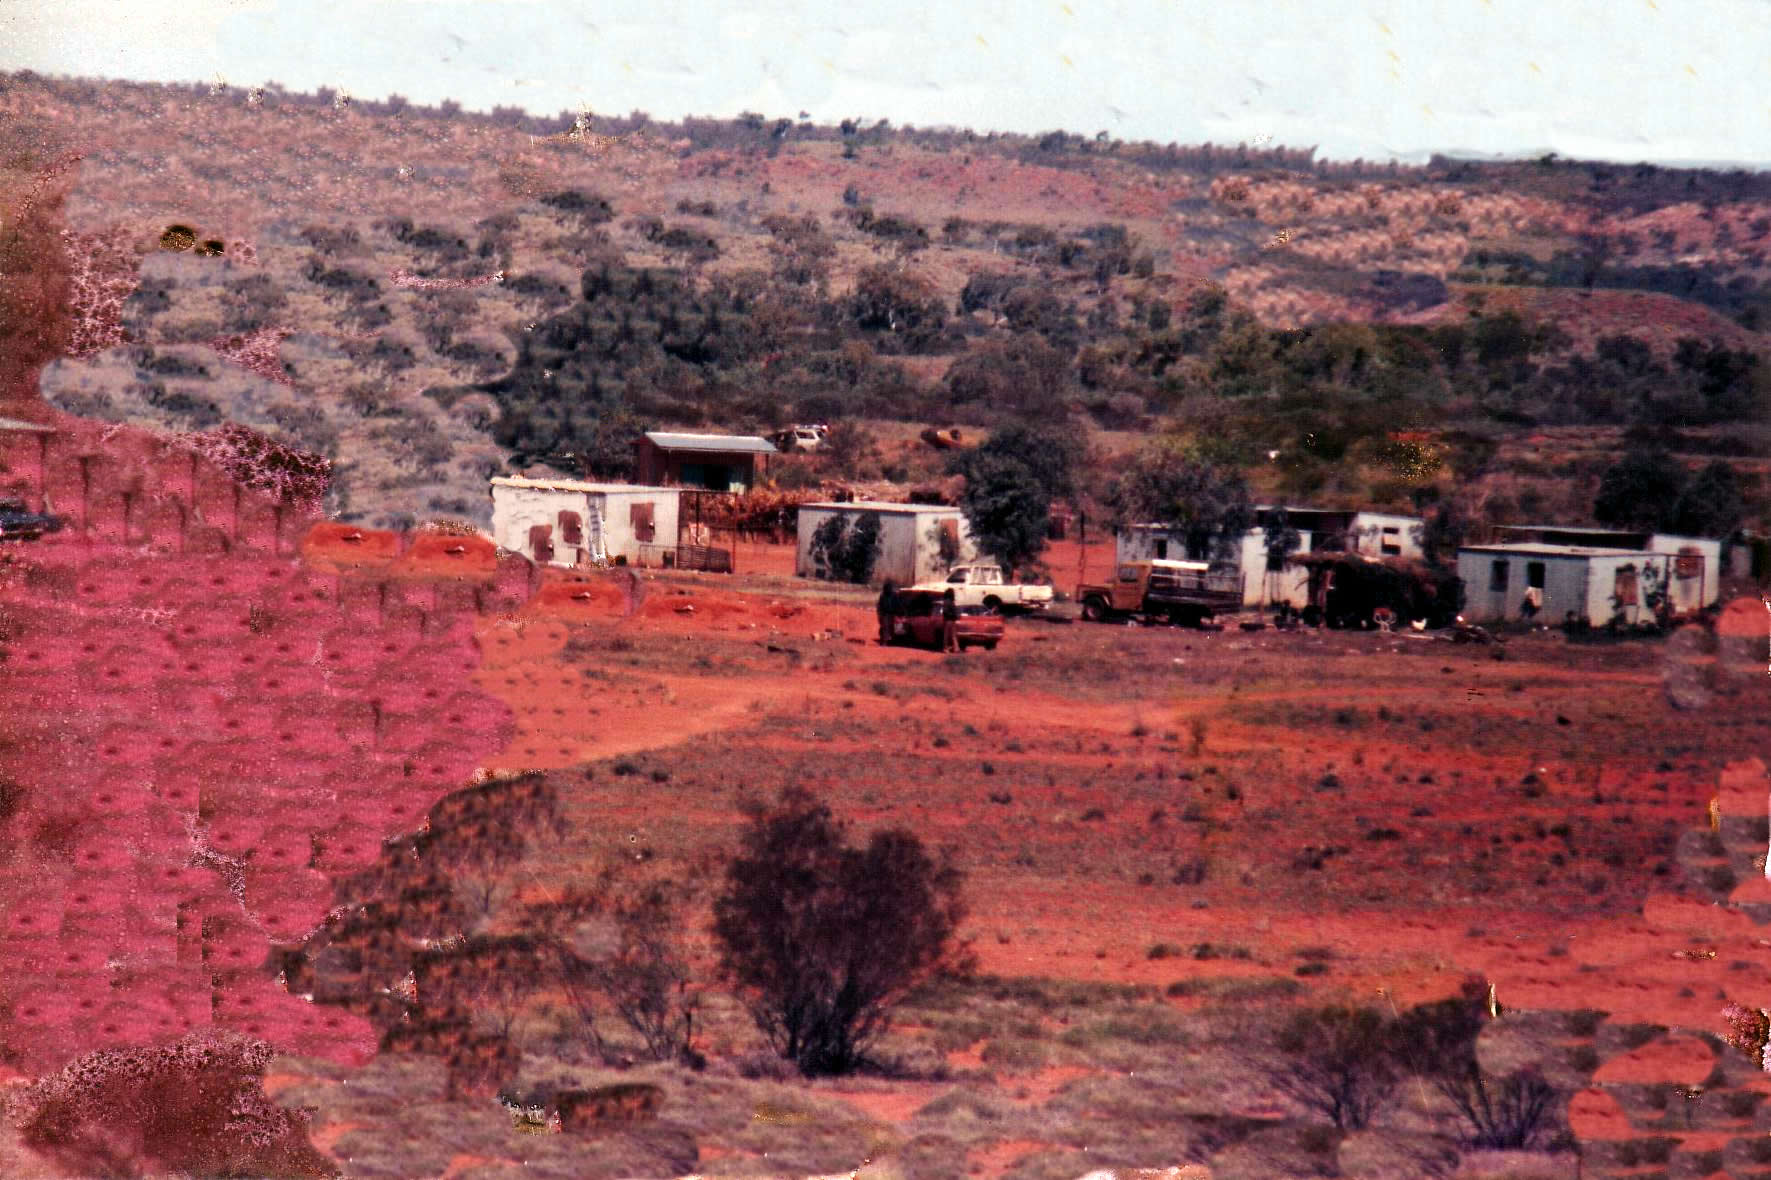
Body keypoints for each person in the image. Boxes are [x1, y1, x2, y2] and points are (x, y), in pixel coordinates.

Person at [877, 579, 899, 645]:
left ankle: (891, 641)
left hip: (892, 613)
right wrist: (880, 614)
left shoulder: (894, 595)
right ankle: (884, 642)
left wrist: (897, 612)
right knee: (885, 628)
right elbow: (880, 605)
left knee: (892, 628)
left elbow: (897, 604)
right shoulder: (883, 595)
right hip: (885, 614)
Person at [941, 587, 960, 653]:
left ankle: (954, 648)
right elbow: (945, 611)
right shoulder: (949, 602)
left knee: (949, 635)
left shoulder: (947, 601)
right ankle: (951, 648)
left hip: (949, 620)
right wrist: (953, 615)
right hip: (949, 619)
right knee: (950, 635)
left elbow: (945, 611)